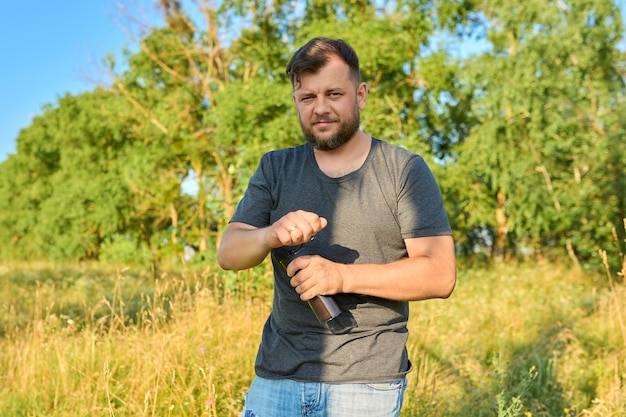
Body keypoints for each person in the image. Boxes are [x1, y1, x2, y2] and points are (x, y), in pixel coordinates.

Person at [217, 37, 456, 417]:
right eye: (307, 97)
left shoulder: (403, 170)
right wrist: (269, 235)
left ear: (360, 95)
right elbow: (228, 253)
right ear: (296, 101)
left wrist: (341, 277)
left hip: (366, 384)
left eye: (333, 93)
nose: (320, 108)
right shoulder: (276, 168)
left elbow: (440, 274)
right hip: (277, 376)